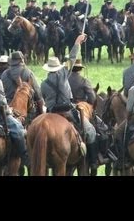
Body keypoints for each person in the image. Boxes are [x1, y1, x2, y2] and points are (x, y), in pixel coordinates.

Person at [41, 34, 98, 168]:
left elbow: (43, 98)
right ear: (58, 68)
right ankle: (94, 161)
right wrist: (77, 42)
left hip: (51, 112)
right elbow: (72, 58)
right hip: (67, 110)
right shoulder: (63, 74)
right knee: (90, 131)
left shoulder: (43, 84)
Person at [1, 51, 44, 116]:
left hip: (7, 107)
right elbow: (38, 94)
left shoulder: (4, 74)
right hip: (24, 108)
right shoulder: (28, 73)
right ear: (22, 60)